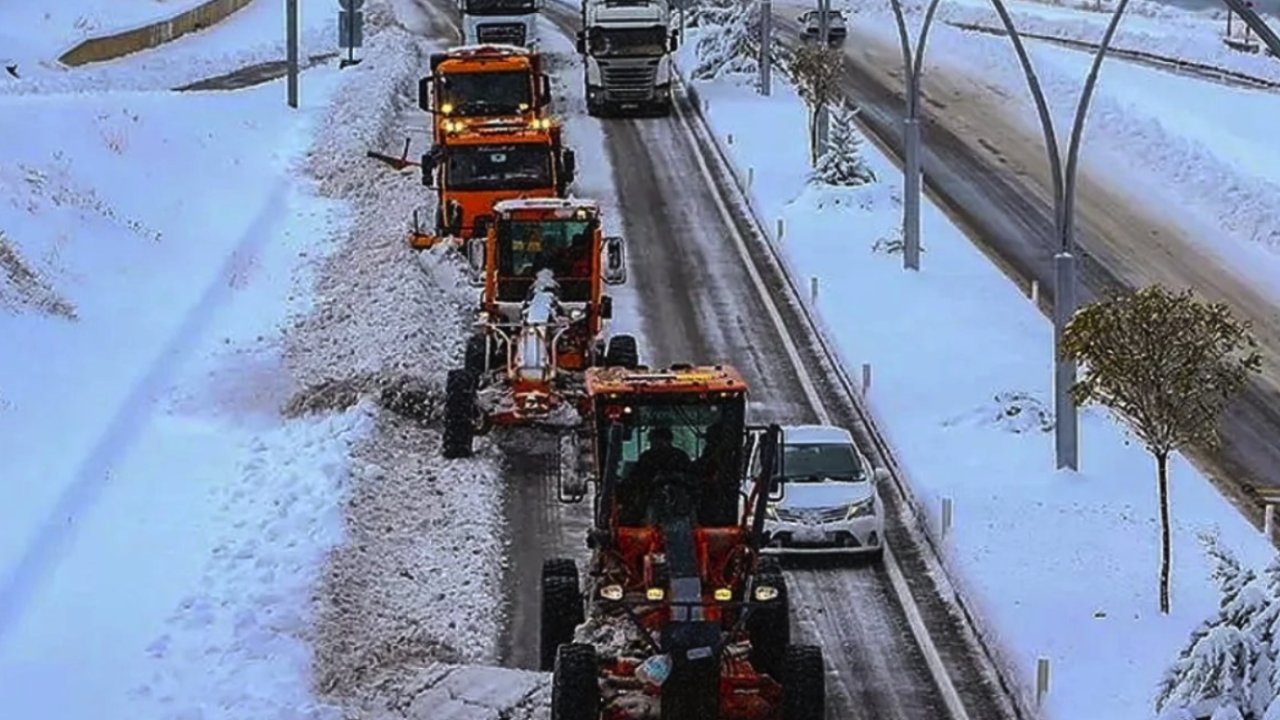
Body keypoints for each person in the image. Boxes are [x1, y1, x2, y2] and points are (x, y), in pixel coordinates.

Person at [618, 425, 693, 524]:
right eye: (654, 441)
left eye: (661, 440)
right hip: (649, 498)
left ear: (669, 441)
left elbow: (691, 477)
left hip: (681, 503)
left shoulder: (680, 457)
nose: (657, 444)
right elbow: (635, 479)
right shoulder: (646, 458)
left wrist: (674, 478)